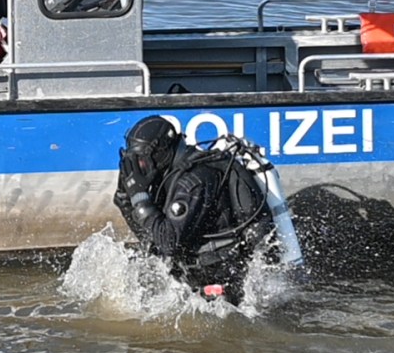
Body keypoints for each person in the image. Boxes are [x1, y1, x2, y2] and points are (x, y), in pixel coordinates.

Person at [113, 115, 276, 304]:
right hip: (194, 272)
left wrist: (140, 199)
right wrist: (125, 196)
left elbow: (167, 242)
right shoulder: (169, 175)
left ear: (160, 151)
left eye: (141, 159)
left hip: (222, 276)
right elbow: (152, 239)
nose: (139, 166)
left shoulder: (193, 181)